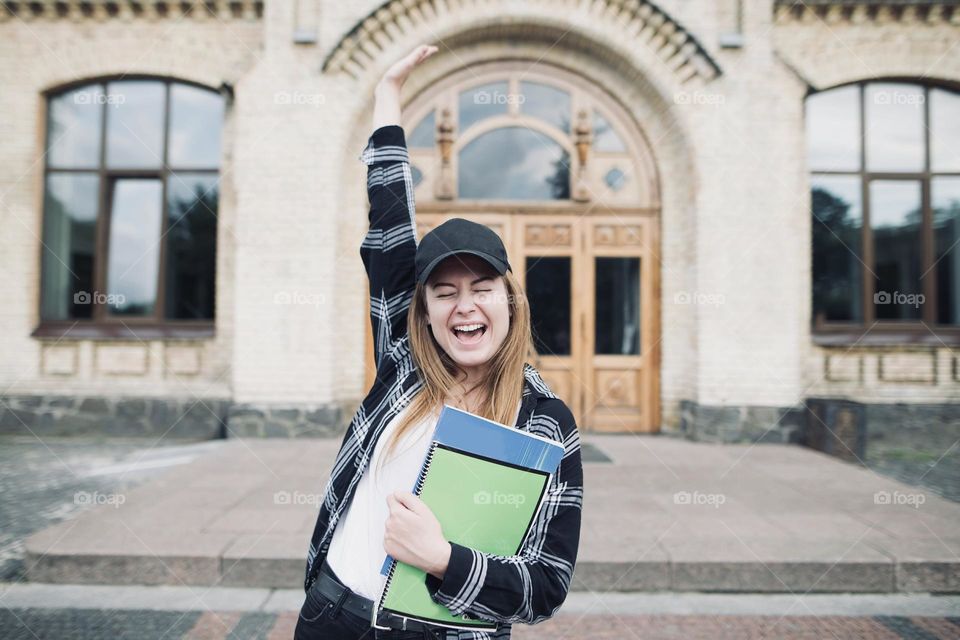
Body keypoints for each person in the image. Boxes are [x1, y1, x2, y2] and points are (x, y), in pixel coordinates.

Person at [295, 43, 584, 640]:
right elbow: (389, 225)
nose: (465, 306)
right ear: (421, 311)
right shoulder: (402, 369)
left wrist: (444, 559)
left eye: (482, 288)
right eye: (444, 292)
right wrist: (387, 96)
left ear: (509, 301)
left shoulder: (546, 423)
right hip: (332, 615)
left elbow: (545, 586)